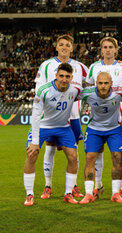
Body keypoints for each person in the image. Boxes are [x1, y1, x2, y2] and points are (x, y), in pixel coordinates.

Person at [30, 34, 88, 199]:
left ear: (71, 48)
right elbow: (39, 90)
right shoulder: (46, 65)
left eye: (67, 45)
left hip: (73, 114)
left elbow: (91, 83)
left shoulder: (79, 66)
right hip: (51, 116)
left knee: (73, 151)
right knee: (50, 148)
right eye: (61, 44)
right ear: (56, 47)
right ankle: (48, 185)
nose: (64, 47)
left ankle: (73, 186)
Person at [24, 63, 82, 206]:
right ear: (56, 75)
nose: (64, 79)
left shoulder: (75, 90)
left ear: (71, 78)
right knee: (32, 154)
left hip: (63, 127)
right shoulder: (44, 90)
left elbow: (93, 92)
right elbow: (36, 116)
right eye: (61, 76)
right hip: (43, 125)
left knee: (73, 156)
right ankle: (29, 194)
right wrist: (35, 141)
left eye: (67, 77)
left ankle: (68, 193)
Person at [85, 37, 122, 199]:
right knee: (96, 153)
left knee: (118, 153)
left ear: (116, 49)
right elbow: (88, 87)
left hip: (117, 117)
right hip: (97, 116)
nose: (107, 50)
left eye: (111, 47)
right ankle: (97, 185)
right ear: (101, 50)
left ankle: (118, 188)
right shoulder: (94, 67)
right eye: (104, 47)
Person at [78, 72, 122, 204]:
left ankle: (115, 193)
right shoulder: (87, 93)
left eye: (106, 83)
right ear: (96, 83)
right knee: (90, 158)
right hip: (94, 129)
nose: (103, 86)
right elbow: (69, 93)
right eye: (100, 83)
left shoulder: (120, 91)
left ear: (111, 84)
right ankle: (88, 194)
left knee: (117, 158)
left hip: (114, 129)